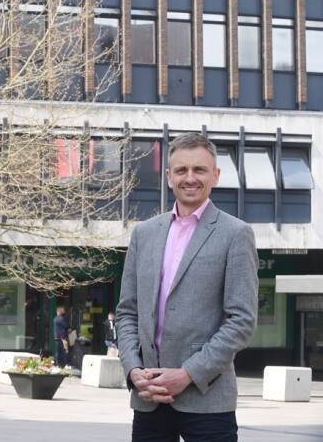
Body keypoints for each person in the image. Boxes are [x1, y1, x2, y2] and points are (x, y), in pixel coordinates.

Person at [116, 133, 259, 442]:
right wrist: (132, 369)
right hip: (148, 400)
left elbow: (241, 320)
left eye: (199, 170)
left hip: (207, 401)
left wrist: (188, 374)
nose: (190, 178)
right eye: (181, 170)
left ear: (215, 176)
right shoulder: (144, 234)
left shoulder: (236, 234)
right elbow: (127, 312)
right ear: (169, 177)